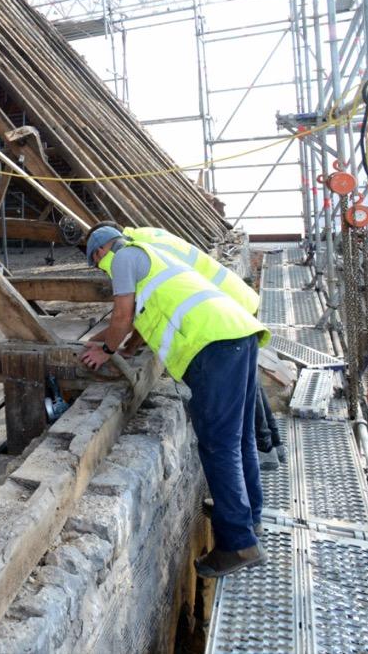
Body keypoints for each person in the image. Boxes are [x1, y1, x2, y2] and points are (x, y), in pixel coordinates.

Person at [80, 225, 271, 578]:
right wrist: (123, 346)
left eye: (96, 261)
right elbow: (139, 322)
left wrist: (106, 350)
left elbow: (122, 315)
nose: (101, 268)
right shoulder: (150, 254)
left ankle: (238, 543)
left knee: (218, 445)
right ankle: (250, 517)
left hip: (212, 347)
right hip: (237, 335)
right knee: (239, 437)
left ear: (100, 251)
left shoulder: (121, 258)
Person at [91, 221, 286, 470]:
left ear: (103, 248)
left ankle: (265, 448)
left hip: (218, 310)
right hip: (225, 301)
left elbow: (140, 309)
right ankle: (272, 445)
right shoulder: (146, 237)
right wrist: (124, 344)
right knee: (246, 384)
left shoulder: (132, 253)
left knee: (231, 413)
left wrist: (120, 348)